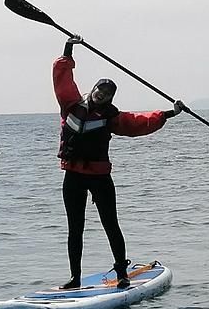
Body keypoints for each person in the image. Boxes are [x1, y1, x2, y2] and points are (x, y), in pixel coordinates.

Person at [53, 37, 181, 289]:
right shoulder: (70, 104)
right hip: (73, 176)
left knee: (111, 223)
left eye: (108, 93)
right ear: (94, 89)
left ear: (110, 98)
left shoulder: (112, 117)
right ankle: (74, 278)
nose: (103, 95)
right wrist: (69, 49)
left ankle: (122, 273)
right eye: (101, 89)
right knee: (74, 229)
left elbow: (139, 122)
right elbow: (62, 79)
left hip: (100, 177)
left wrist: (169, 113)